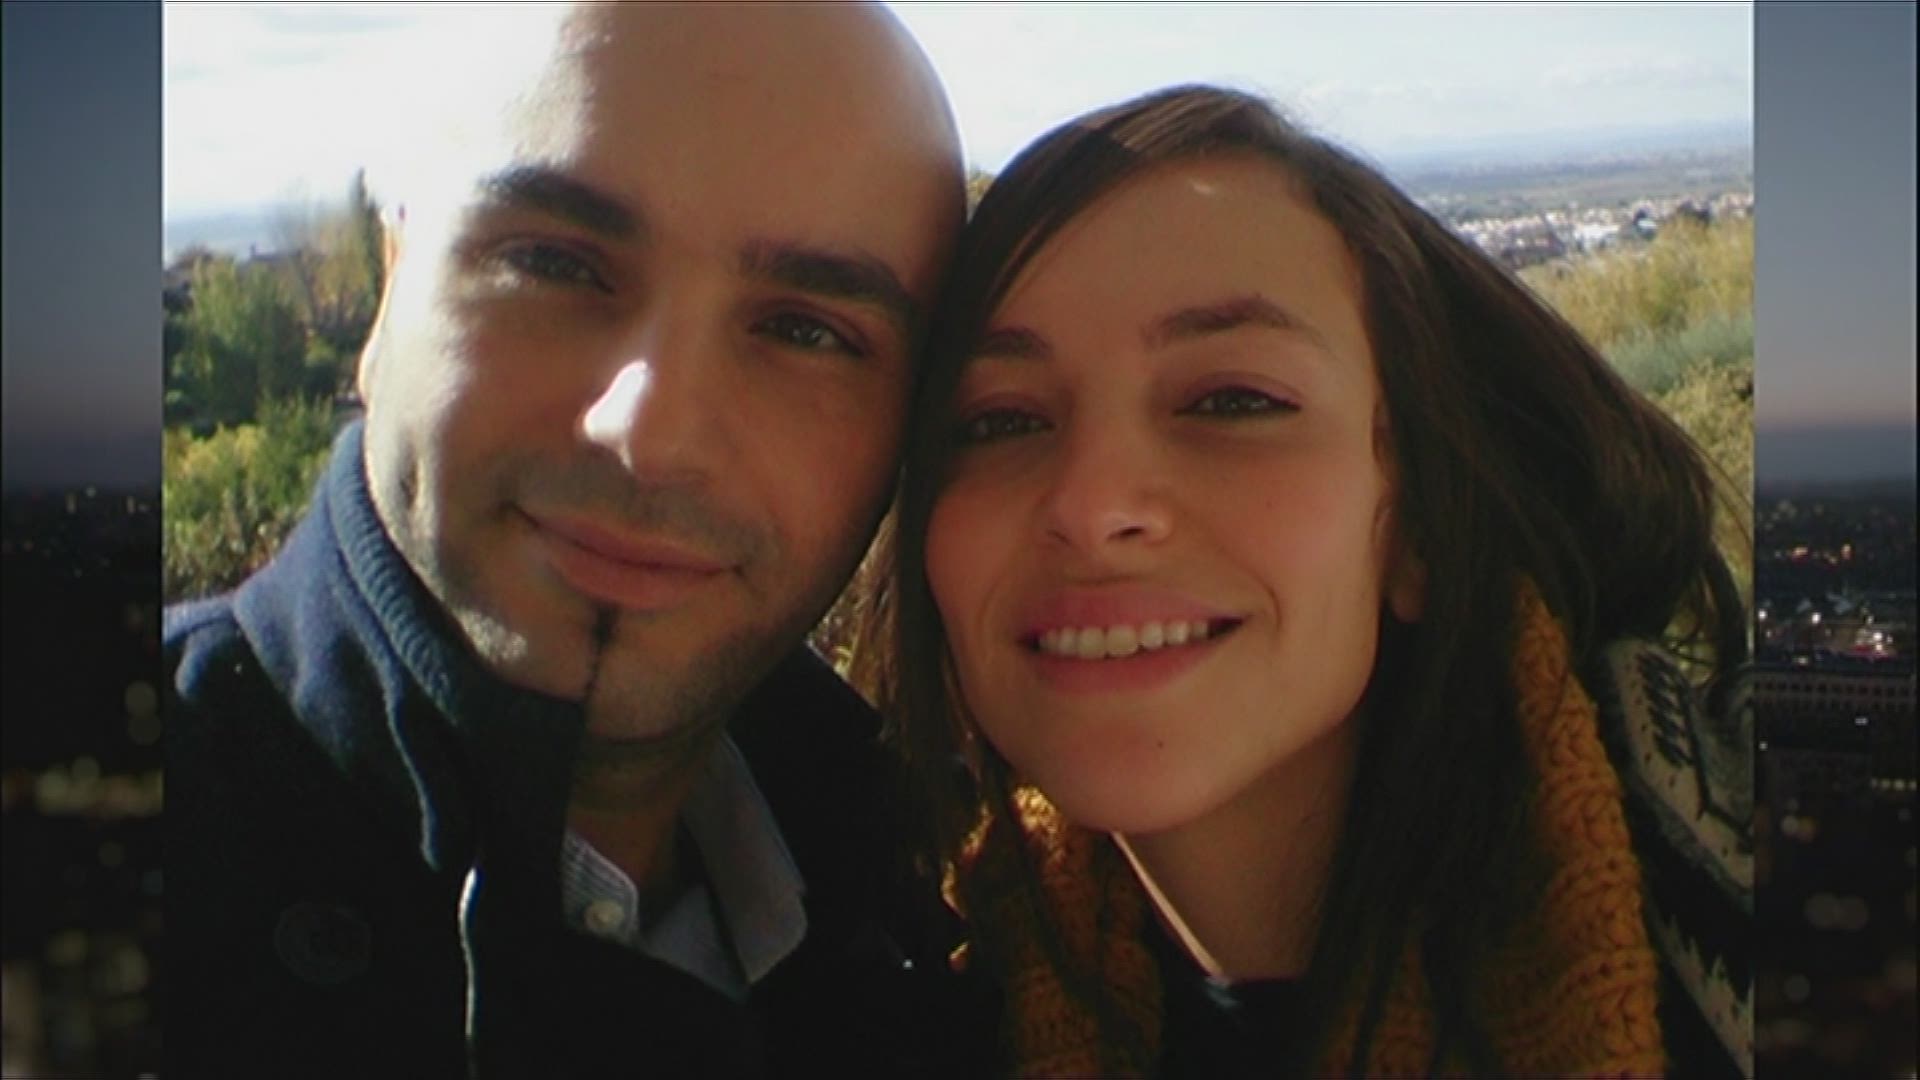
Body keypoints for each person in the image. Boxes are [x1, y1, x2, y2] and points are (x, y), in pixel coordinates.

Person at [855, 85, 1753, 1077]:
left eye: (1232, 401)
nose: (1093, 502)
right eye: (1001, 420)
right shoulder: (885, 1000)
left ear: (1417, 523)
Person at [164, 5, 987, 1076]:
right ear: (389, 292)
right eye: (555, 263)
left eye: (805, 330)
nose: (650, 432)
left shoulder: (958, 925)